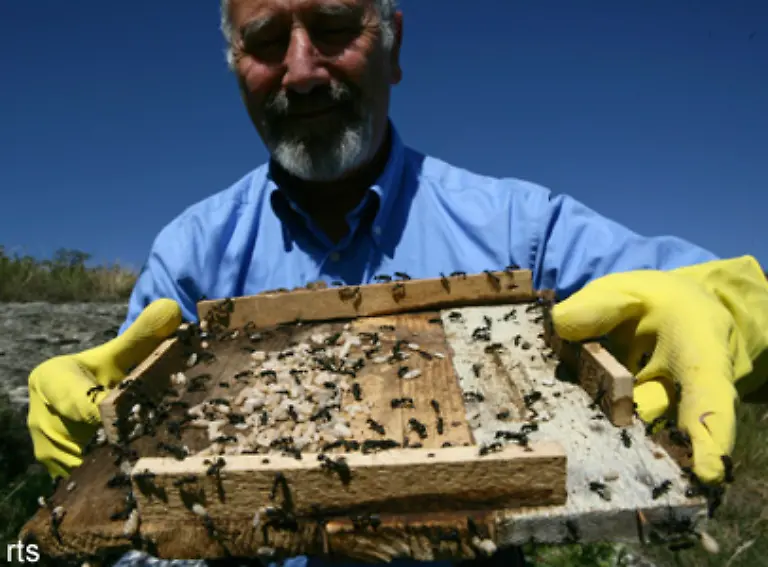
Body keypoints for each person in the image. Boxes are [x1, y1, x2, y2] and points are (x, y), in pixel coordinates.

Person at [26, 1, 768, 566]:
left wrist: (727, 309)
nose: (301, 70)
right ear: (236, 66)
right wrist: (98, 450)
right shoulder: (191, 258)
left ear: (394, 43)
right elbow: (135, 529)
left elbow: (716, 303)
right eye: (265, 41)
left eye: (333, 27)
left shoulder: (519, 230)